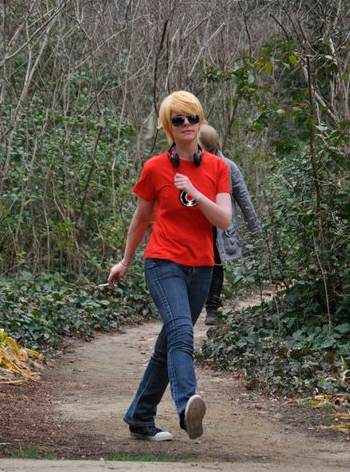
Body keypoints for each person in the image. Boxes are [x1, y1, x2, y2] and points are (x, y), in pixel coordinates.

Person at [107, 91, 232, 442]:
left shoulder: (218, 167)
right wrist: (126, 260)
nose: (187, 125)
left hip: (202, 267)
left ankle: (140, 417)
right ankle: (185, 407)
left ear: (200, 120)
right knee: (181, 333)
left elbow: (223, 219)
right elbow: (141, 218)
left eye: (192, 118)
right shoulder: (156, 168)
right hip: (163, 263)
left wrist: (194, 188)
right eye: (178, 120)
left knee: (169, 343)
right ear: (168, 127)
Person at [198, 124, 262, 325]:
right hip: (196, 226)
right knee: (195, 267)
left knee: (215, 265)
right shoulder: (192, 165)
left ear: (209, 146)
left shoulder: (228, 167)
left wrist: (257, 233)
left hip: (218, 228)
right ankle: (194, 304)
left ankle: (212, 308)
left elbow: (244, 200)